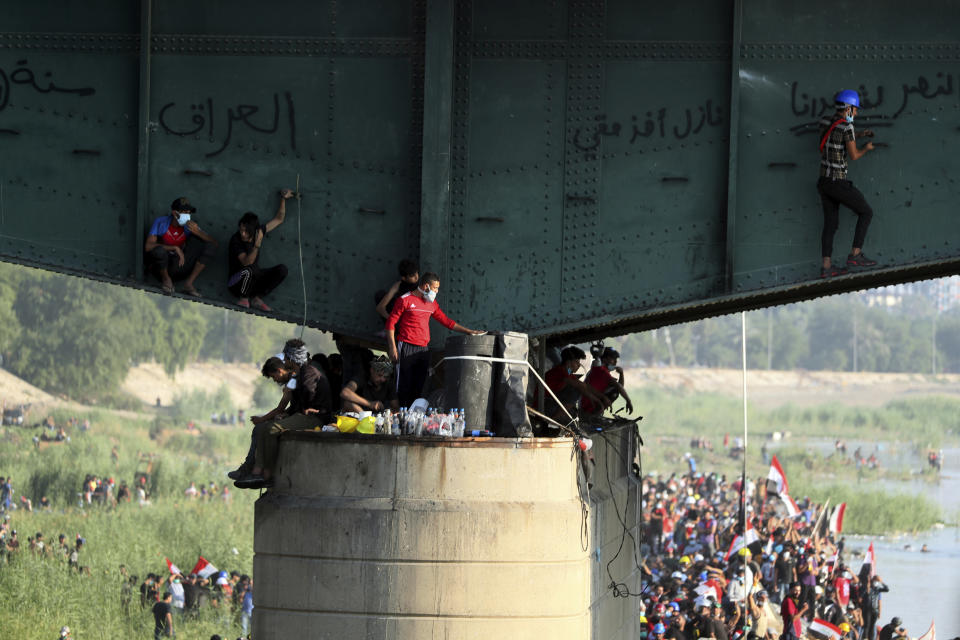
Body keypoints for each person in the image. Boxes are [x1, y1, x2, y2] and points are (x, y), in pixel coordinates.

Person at [385, 272, 483, 406]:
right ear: (426, 286)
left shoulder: (432, 304)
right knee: (403, 384)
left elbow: (446, 321)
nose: (437, 291)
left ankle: (413, 417)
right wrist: (392, 347)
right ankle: (399, 414)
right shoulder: (405, 299)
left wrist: (469, 331)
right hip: (406, 346)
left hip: (423, 349)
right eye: (435, 288)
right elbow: (390, 324)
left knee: (419, 384)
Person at [237, 355, 333, 488]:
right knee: (261, 428)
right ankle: (254, 469)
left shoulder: (297, 378)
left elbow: (283, 406)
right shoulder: (296, 378)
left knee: (269, 428)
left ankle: (265, 473)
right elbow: (291, 407)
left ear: (279, 371)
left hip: (313, 418)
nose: (275, 380)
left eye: (273, 376)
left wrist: (263, 418)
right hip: (299, 415)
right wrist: (286, 414)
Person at [817, 90, 877, 278]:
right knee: (866, 212)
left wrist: (860, 134)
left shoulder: (826, 122)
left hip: (824, 182)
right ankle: (855, 254)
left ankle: (826, 267)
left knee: (830, 224)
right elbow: (854, 155)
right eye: (855, 110)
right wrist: (866, 148)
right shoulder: (847, 128)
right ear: (848, 108)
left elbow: (838, 134)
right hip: (838, 182)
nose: (856, 113)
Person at [226, 189, 294, 310]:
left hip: (253, 280)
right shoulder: (235, 240)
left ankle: (257, 298)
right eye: (241, 229)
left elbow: (279, 219)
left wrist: (283, 199)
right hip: (236, 284)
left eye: (246, 231)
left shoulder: (259, 232)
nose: (242, 233)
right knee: (250, 269)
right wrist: (257, 244)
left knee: (281, 270)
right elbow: (247, 262)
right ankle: (244, 298)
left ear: (254, 230)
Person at [144, 197, 218, 296]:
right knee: (158, 251)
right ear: (175, 213)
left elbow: (214, 243)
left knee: (209, 247)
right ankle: (166, 279)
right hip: (161, 268)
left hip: (179, 266)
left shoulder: (189, 226)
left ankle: (188, 283)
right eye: (184, 212)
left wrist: (198, 232)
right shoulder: (161, 222)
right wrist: (174, 248)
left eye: (189, 213)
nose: (187, 216)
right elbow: (148, 246)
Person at [543, 346, 610, 423]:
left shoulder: (565, 372)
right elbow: (580, 386)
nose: (579, 365)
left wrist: (601, 397)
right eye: (577, 362)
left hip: (549, 403)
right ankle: (552, 421)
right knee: (576, 390)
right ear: (568, 362)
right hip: (544, 405)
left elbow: (585, 386)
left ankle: (561, 417)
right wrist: (598, 400)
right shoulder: (561, 372)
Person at [581, 347, 634, 416]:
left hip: (590, 403)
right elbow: (618, 387)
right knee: (614, 392)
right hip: (587, 405)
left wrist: (621, 374)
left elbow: (620, 387)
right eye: (613, 359)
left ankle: (596, 414)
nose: (615, 362)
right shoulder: (600, 370)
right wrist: (628, 401)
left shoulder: (602, 371)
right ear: (604, 359)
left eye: (616, 359)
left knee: (615, 390)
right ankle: (595, 415)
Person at [862, 575, 889, 640]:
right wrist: (869, 582)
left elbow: (887, 589)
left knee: (872, 625)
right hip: (867, 610)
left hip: (875, 610)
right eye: (875, 581)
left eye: (877, 581)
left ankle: (871, 638)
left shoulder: (878, 589)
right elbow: (866, 592)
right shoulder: (868, 588)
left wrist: (881, 581)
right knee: (867, 625)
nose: (876, 582)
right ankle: (865, 638)